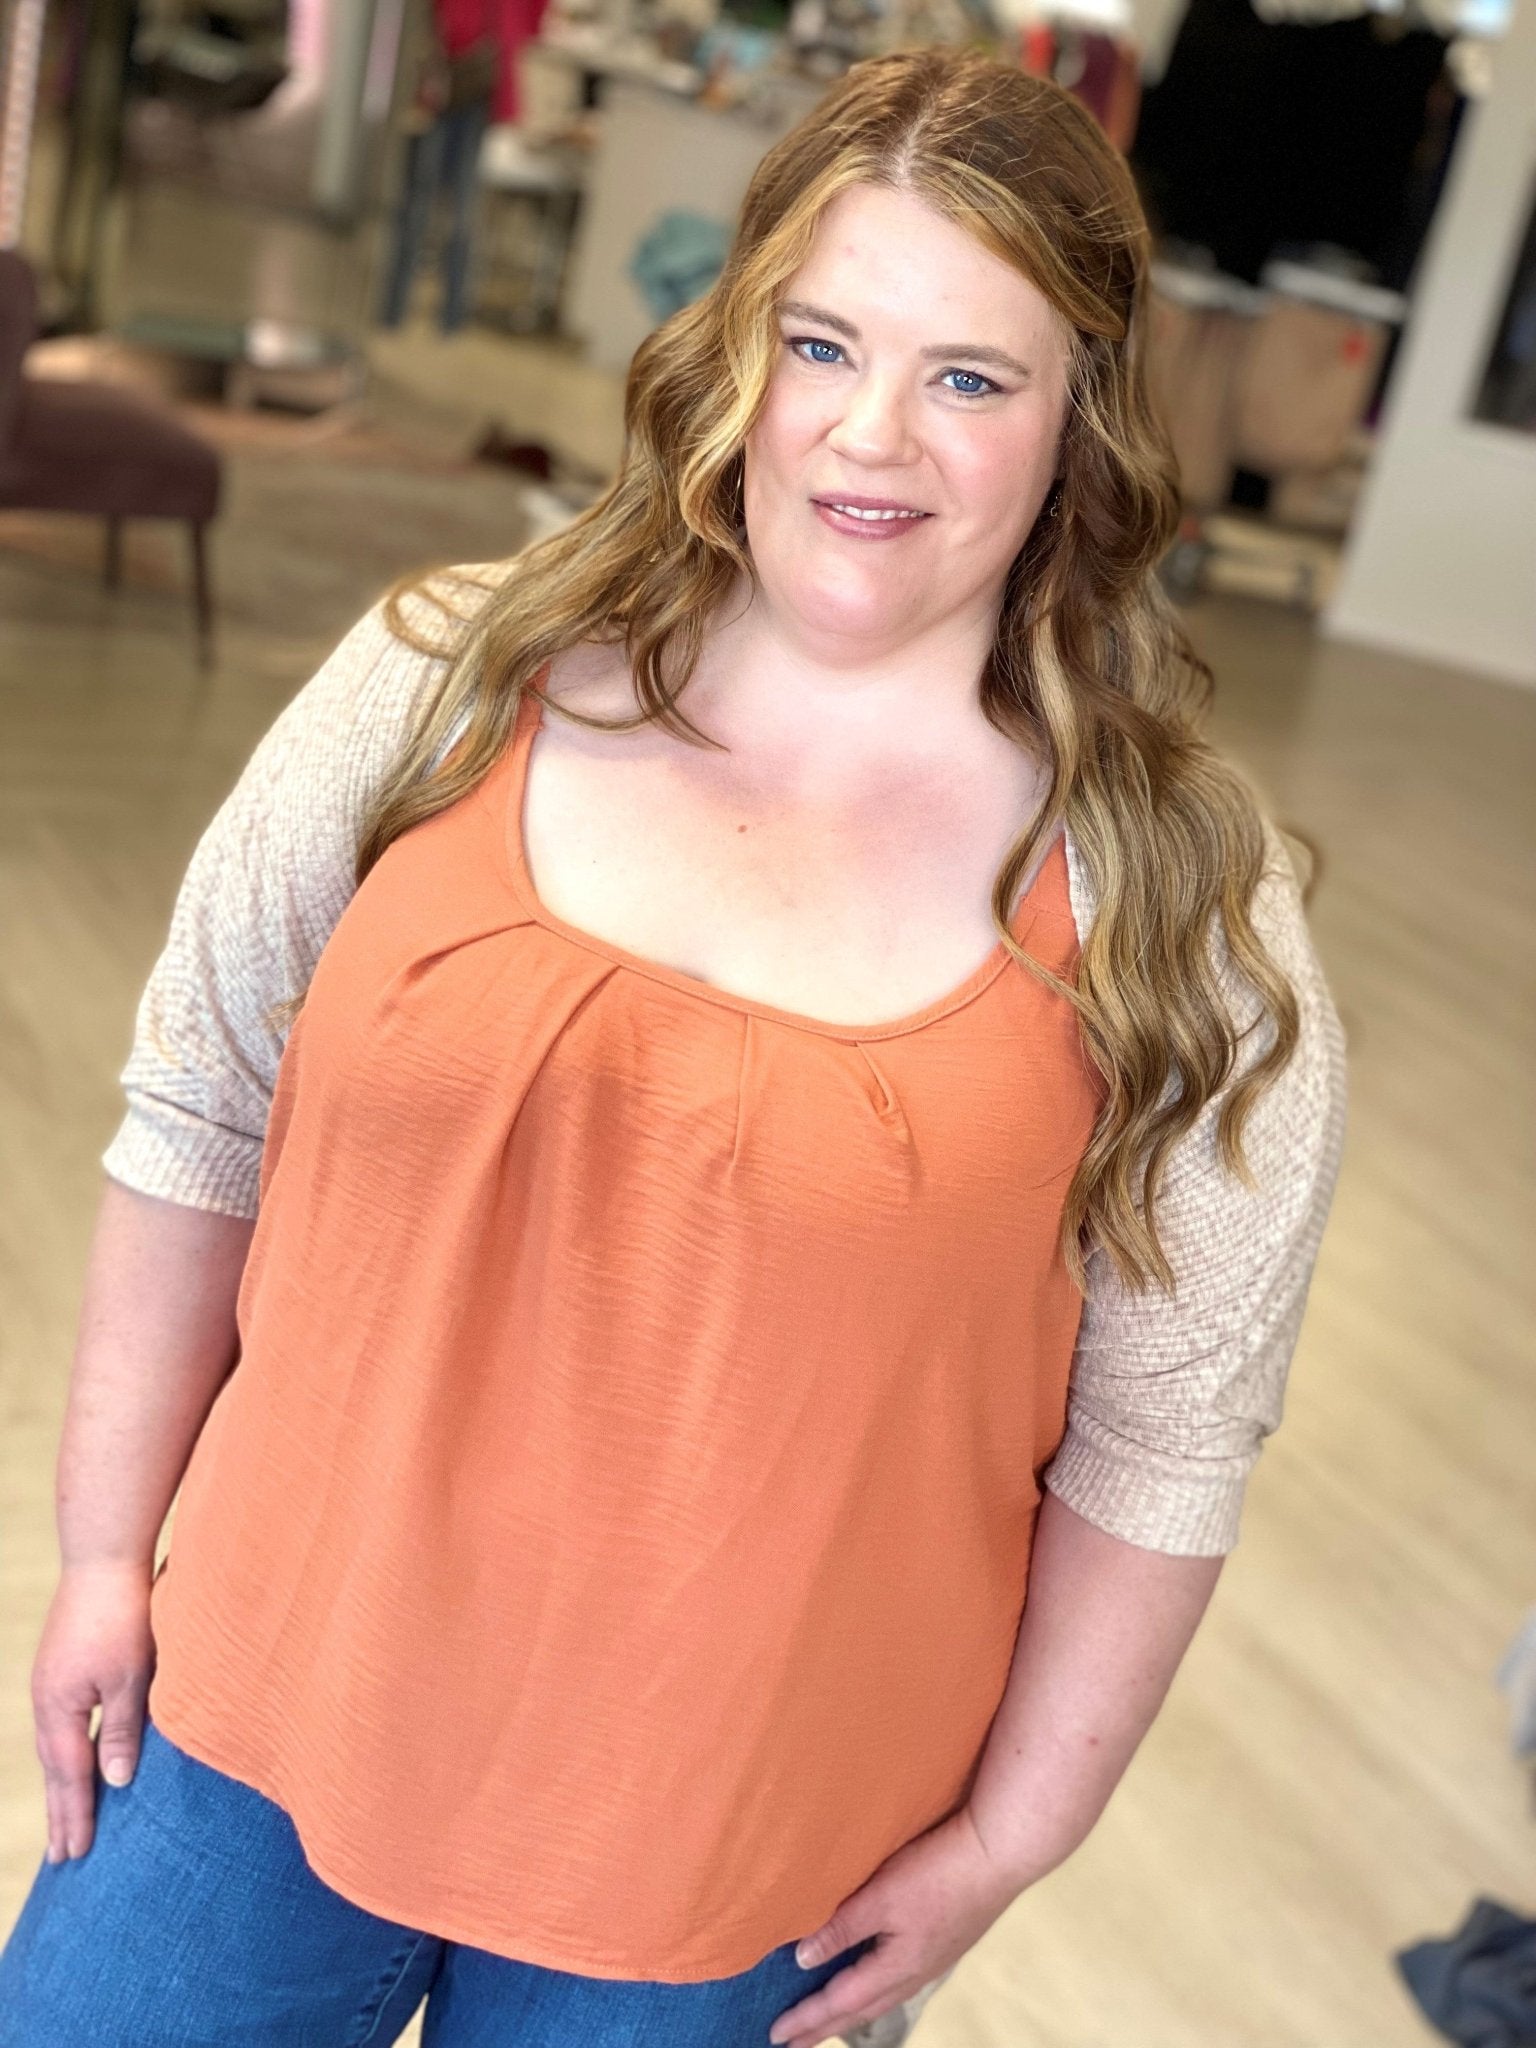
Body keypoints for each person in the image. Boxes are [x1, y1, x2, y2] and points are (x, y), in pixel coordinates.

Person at [0, 44, 1346, 2048]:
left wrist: (1011, 1839)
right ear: (740, 348)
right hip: (252, 1718)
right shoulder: (444, 678)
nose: (870, 436)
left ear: (1081, 418)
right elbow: (199, 1112)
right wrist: (109, 1550)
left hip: (736, 1857)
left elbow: (1162, 1447)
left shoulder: (1186, 915)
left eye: (971, 378)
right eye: (824, 343)